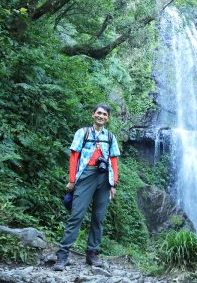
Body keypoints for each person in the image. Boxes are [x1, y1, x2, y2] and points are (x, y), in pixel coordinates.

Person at [53, 104, 121, 271]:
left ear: (108, 118)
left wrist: (113, 184)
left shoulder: (110, 137)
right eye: (99, 113)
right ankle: (62, 256)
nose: (101, 116)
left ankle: (92, 254)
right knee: (76, 215)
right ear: (93, 115)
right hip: (85, 176)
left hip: (104, 179)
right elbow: (74, 156)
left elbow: (113, 161)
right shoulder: (82, 133)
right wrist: (71, 180)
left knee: (98, 218)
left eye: (105, 114)